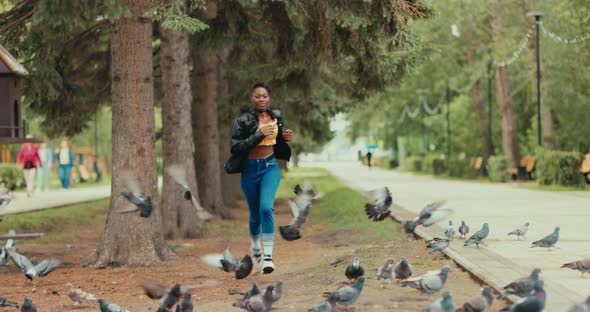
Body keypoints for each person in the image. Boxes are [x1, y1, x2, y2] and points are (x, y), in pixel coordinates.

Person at [228, 81, 293, 274]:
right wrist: (258, 134)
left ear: (269, 98)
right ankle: (255, 244)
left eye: (264, 96)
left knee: (266, 207)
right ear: (252, 98)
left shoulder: (276, 116)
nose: (261, 99)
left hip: (270, 167)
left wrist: (286, 136)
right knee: (255, 215)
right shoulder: (242, 120)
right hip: (249, 169)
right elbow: (236, 147)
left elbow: (278, 138)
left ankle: (268, 257)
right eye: (257, 96)